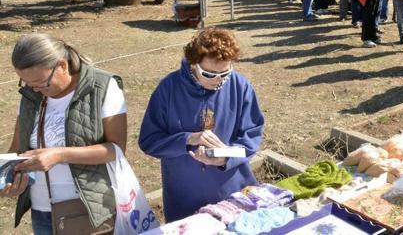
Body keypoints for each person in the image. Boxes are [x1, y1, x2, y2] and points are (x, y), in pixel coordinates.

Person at [5, 34, 127, 233]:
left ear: (62, 65)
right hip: (42, 210)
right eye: (27, 83)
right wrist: (8, 178)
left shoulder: (102, 87)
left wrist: (59, 155)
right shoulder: (31, 93)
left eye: (41, 82)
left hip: (89, 210)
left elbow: (116, 150)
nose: (35, 89)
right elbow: (17, 149)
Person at [139, 28, 264, 222]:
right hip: (184, 194)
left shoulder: (241, 86)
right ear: (193, 63)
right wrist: (187, 139)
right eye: (209, 73)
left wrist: (225, 159)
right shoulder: (168, 89)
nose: (218, 81)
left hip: (231, 189)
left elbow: (251, 137)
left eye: (225, 73)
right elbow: (149, 141)